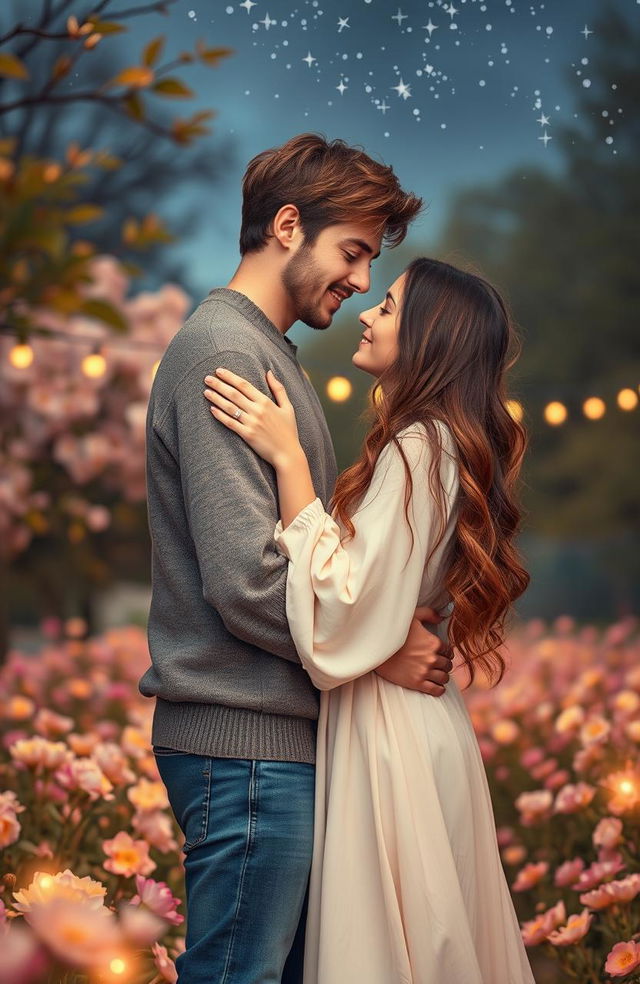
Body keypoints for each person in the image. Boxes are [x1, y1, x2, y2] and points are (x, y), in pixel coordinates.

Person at [140, 134, 454, 984]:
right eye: (352, 252)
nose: (359, 284)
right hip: (244, 741)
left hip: (275, 739)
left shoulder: (270, 356)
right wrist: (384, 648)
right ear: (287, 225)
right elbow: (246, 581)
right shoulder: (223, 353)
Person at [202, 256, 537, 983]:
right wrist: (389, 637)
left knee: (399, 946)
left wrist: (289, 458)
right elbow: (376, 602)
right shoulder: (432, 441)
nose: (366, 312)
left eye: (387, 306)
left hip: (392, 730)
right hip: (407, 717)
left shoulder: (422, 445)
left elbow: (345, 602)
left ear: (428, 336)